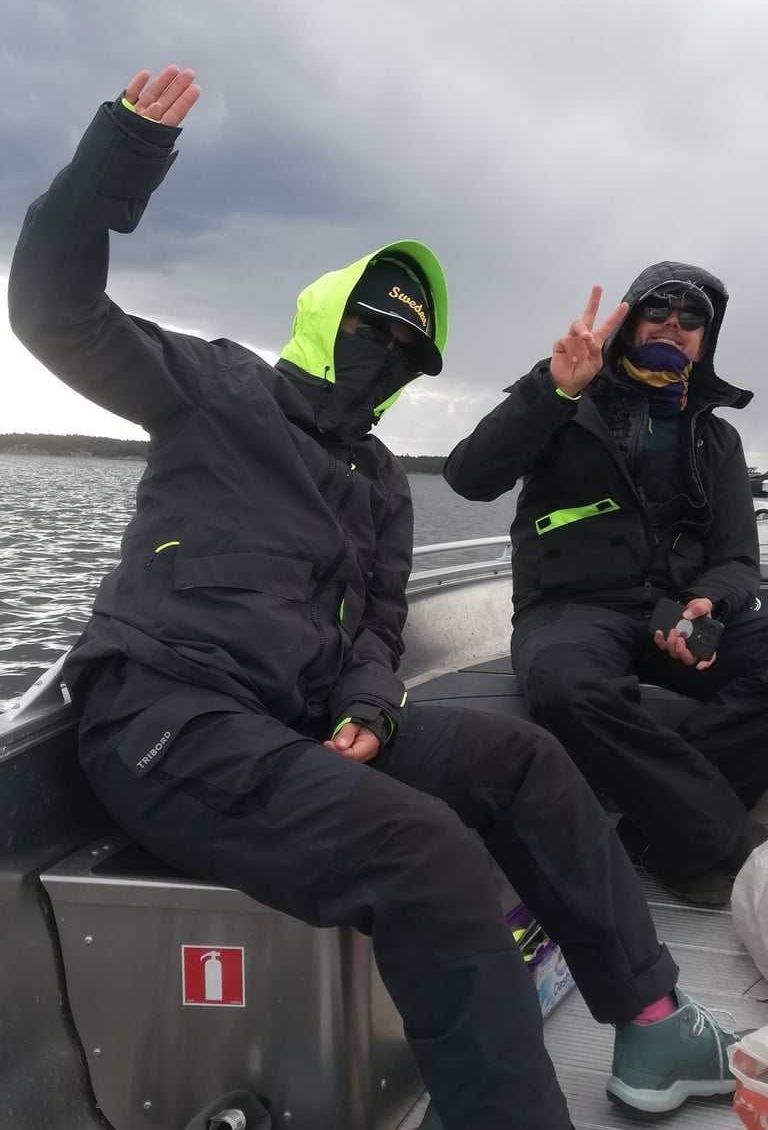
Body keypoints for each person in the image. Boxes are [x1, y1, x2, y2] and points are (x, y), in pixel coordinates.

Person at [8, 67, 747, 1130]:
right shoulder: (215, 388)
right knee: (425, 849)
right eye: (372, 328)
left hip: (302, 724)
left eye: (408, 350)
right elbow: (56, 312)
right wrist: (120, 157)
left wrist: (369, 704)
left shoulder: (385, 483)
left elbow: (380, 629)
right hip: (167, 722)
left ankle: (653, 1017)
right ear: (328, 314)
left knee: (526, 761)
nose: (386, 356)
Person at [444, 270, 768, 907]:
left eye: (692, 317)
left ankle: (654, 833)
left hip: (675, 608)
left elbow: (737, 560)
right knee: (565, 687)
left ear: (704, 341)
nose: (674, 322)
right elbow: (468, 478)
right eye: (659, 307)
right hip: (570, 608)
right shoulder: (568, 397)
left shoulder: (717, 437)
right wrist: (554, 389)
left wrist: (707, 601)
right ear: (629, 321)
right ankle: (721, 839)